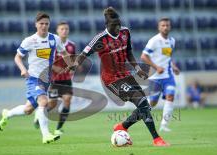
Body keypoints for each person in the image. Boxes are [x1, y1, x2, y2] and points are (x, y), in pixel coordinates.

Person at [70, 7, 169, 146]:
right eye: (113, 26)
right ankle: (156, 139)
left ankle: (122, 126)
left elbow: (128, 52)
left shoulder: (125, 32)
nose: (117, 28)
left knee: (145, 106)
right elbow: (83, 54)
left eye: (118, 24)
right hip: (111, 79)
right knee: (141, 102)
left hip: (126, 75)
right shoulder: (100, 39)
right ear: (106, 25)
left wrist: (137, 68)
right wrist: (74, 65)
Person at [0, 12, 73, 144]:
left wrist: (71, 64)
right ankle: (46, 135)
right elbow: (17, 57)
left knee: (28, 109)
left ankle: (7, 114)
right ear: (36, 24)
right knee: (43, 102)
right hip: (33, 78)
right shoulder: (30, 41)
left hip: (46, 80)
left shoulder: (54, 39)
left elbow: (64, 52)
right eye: (41, 23)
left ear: (49, 25)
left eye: (46, 24)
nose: (44, 26)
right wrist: (23, 69)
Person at [34, 22, 76, 136]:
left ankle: (58, 128)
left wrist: (72, 68)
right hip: (54, 80)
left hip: (66, 79)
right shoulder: (51, 44)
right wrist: (54, 67)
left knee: (67, 100)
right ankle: (39, 115)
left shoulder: (72, 45)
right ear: (57, 31)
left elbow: (72, 61)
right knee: (52, 104)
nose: (64, 31)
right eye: (62, 29)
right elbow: (45, 61)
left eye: (66, 29)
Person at [141, 17, 180, 132]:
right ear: (159, 27)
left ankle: (164, 125)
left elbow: (167, 57)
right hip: (155, 77)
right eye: (163, 25)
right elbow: (143, 56)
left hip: (168, 76)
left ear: (170, 27)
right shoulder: (154, 41)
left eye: (167, 25)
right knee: (152, 102)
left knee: (170, 96)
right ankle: (138, 114)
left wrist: (174, 67)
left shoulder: (172, 41)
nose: (165, 27)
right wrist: (156, 67)